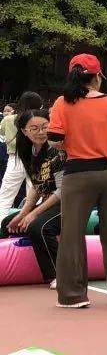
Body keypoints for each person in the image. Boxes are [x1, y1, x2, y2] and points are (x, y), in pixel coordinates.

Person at [48, 54, 107, 308]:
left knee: (72, 234)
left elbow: (54, 138)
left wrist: (71, 144)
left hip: (78, 174)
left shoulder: (62, 104)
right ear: (98, 76)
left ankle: (73, 295)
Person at [0, 110, 63, 288]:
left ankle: (59, 275)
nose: (41, 132)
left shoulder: (57, 151)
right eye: (34, 128)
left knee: (39, 227)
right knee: (8, 222)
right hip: (47, 202)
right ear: (24, 131)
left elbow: (62, 191)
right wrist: (23, 213)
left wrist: (33, 214)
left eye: (44, 127)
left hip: (68, 204)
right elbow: (37, 186)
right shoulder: (29, 152)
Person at [0, 92, 44, 214]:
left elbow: (2, 133)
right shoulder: (39, 120)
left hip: (14, 158)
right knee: (36, 197)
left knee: (5, 197)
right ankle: (31, 227)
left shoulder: (8, 119)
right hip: (34, 158)